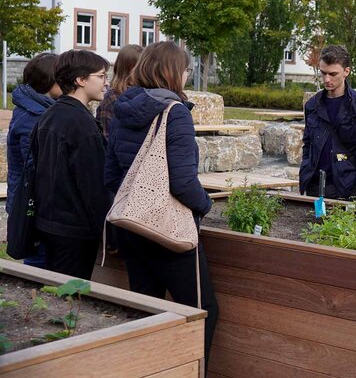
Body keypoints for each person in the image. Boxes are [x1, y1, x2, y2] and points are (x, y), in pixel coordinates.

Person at [105, 41, 218, 360]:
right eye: (186, 71)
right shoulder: (175, 112)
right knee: (201, 313)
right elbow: (183, 183)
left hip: (131, 228)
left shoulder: (122, 108)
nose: (186, 77)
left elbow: (111, 176)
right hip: (168, 233)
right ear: (172, 73)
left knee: (147, 314)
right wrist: (206, 205)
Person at [29, 50, 109, 279]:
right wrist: (106, 230)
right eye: (101, 75)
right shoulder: (82, 125)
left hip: (48, 222)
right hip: (74, 228)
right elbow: (94, 186)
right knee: (69, 297)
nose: (106, 82)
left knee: (57, 291)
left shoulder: (49, 114)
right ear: (80, 80)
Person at [300, 46, 356, 200]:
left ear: (347, 71)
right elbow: (308, 143)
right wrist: (306, 169)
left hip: (346, 186)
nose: (327, 79)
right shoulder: (312, 105)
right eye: (323, 73)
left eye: (333, 74)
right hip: (314, 184)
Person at [6, 53, 62, 268]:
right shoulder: (35, 116)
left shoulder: (33, 107)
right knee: (39, 264)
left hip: (28, 200)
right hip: (32, 205)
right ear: (49, 80)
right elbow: (35, 168)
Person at [96, 44, 143, 138]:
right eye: (141, 66)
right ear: (129, 68)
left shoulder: (146, 93)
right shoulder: (111, 98)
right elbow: (105, 137)